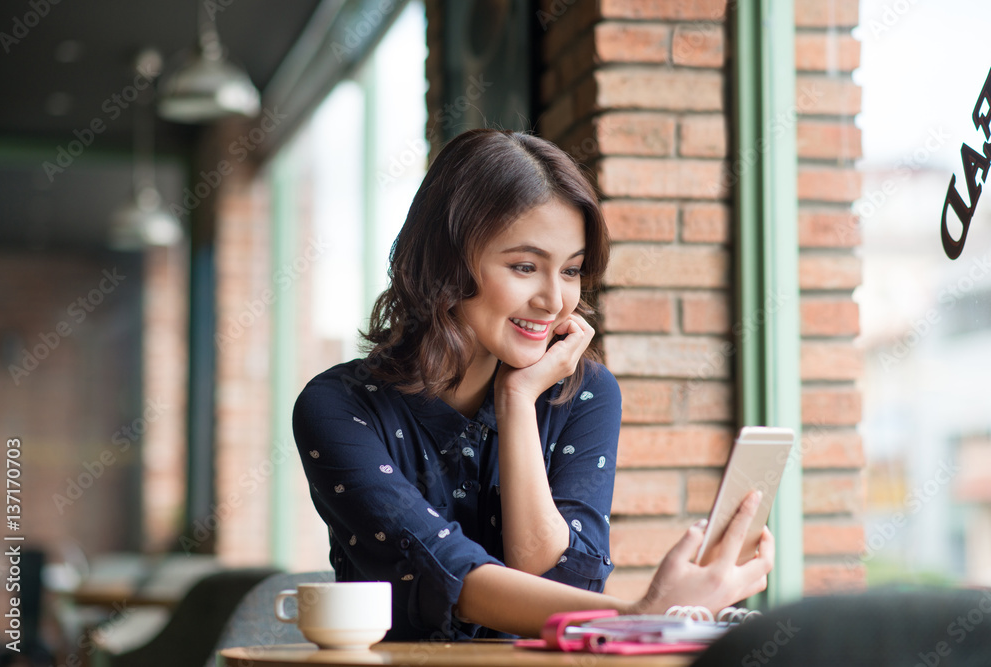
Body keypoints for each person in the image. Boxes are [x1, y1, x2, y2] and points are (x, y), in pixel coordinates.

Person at [292, 128, 773, 641]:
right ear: (445, 262)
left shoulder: (584, 392)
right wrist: (646, 615)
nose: (554, 300)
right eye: (525, 266)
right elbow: (455, 578)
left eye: (571, 270)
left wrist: (517, 400)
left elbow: (558, 576)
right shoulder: (338, 408)